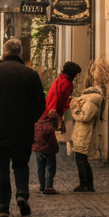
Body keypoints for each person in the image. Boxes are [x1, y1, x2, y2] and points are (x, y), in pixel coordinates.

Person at [0, 38, 46, 217]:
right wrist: (30, 119)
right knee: (21, 165)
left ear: (4, 52)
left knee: (1, 168)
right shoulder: (31, 74)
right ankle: (22, 194)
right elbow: (40, 103)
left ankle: (4, 205)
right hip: (23, 129)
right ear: (20, 52)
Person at [35, 62, 81, 194]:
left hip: (43, 120)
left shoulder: (58, 80)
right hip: (49, 121)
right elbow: (56, 103)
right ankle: (48, 186)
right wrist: (59, 120)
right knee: (50, 158)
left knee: (40, 157)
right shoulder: (66, 83)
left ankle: (42, 185)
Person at [68, 71, 106, 192]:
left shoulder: (91, 102)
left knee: (81, 160)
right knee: (81, 159)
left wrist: (74, 110)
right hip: (81, 133)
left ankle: (86, 184)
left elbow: (84, 116)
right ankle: (86, 183)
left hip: (85, 134)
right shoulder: (88, 101)